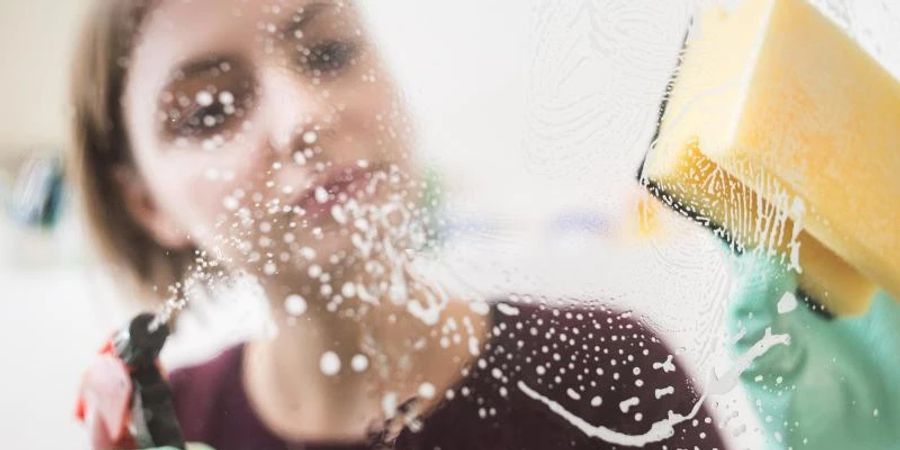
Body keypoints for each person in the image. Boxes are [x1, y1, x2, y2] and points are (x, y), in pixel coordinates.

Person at [70, 0, 725, 448]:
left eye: (326, 53)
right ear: (146, 203)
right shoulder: (167, 428)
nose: (304, 117)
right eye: (210, 111)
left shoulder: (610, 377)